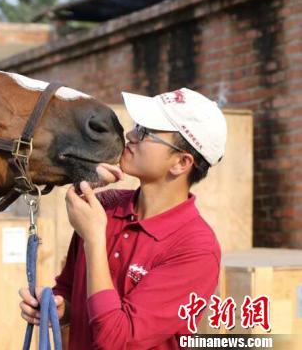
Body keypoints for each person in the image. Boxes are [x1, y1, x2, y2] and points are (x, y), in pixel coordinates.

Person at [19, 88, 227, 349]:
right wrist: (59, 308)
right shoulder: (105, 206)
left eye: (145, 132)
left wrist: (94, 239)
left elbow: (117, 339)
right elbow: (70, 289)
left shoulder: (195, 250)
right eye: (136, 126)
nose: (130, 135)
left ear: (181, 163)